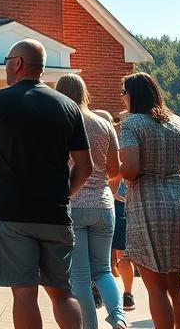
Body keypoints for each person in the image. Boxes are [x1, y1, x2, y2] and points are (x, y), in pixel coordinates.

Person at [0, 40, 90, 329]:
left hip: (13, 214)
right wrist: (64, 194)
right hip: (56, 213)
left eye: (6, 61)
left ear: (17, 63)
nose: (5, 66)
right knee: (61, 292)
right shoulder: (68, 106)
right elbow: (85, 167)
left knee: (24, 293)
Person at [117, 72, 180, 329]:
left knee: (156, 286)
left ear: (132, 95)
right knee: (175, 284)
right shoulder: (177, 122)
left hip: (148, 203)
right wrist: (173, 179)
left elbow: (131, 170)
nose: (122, 98)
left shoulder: (132, 124)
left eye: (123, 92)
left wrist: (114, 168)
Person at [55, 74, 126, 329]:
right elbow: (115, 169)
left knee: (80, 278)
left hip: (72, 204)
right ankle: (118, 316)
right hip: (103, 205)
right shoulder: (103, 123)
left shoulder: (58, 124)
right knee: (104, 270)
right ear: (84, 93)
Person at [105, 112, 134, 312]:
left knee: (121, 252)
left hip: (118, 201)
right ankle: (126, 294)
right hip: (116, 201)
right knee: (119, 253)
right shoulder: (121, 145)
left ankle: (127, 294)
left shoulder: (122, 146)